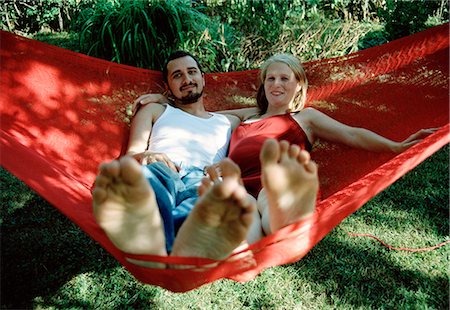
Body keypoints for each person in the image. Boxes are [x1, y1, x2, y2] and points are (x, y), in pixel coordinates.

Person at [135, 53, 436, 236]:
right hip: (240, 192)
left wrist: (395, 147)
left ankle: (287, 234)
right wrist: (164, 99)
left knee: (277, 215)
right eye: (270, 79)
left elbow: (353, 135)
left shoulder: (305, 117)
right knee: (243, 236)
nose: (276, 85)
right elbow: (197, 113)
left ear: (298, 85)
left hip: (276, 185)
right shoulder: (245, 117)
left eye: (284, 78)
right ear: (263, 86)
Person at [92, 51, 319, 267]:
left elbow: (268, 110)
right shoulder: (155, 110)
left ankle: (162, 248)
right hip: (160, 168)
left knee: (200, 213)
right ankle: (147, 232)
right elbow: (132, 155)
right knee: (145, 189)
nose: (187, 79)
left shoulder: (228, 120)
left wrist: (165, 96)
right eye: (177, 76)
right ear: (168, 86)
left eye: (192, 72)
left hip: (204, 179)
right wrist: (149, 151)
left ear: (203, 78)